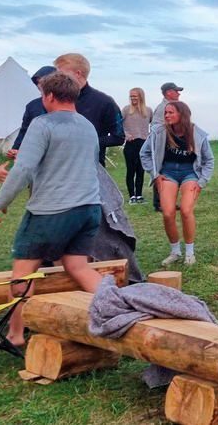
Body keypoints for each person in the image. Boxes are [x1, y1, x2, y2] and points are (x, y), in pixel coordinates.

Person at [0, 72, 106, 348]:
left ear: (50, 96)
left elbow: (23, 168)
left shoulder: (42, 123)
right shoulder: (88, 126)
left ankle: (15, 335)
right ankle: (116, 312)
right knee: (78, 266)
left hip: (51, 211)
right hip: (89, 207)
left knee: (23, 272)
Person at [54, 53, 143, 283]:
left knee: (93, 231)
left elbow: (118, 136)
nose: (56, 78)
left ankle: (97, 278)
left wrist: (88, 140)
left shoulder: (102, 101)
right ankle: (63, 279)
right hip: (56, 176)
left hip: (90, 174)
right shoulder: (53, 101)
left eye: (61, 73)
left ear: (78, 74)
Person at [140, 101, 215, 266]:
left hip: (190, 172)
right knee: (168, 213)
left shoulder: (197, 133)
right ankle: (175, 252)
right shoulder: (159, 132)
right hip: (168, 172)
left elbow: (209, 160)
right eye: (165, 113)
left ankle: (190, 253)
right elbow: (144, 153)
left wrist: (201, 182)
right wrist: (155, 175)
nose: (166, 116)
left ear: (182, 114)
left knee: (186, 210)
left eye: (170, 112)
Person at [6, 65, 56, 159]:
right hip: (35, 151)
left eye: (43, 81)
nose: (39, 84)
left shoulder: (66, 103)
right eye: (38, 82)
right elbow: (25, 130)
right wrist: (16, 148)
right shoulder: (32, 106)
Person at [150, 82, 182, 211]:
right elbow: (155, 127)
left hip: (172, 145)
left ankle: (169, 202)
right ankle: (159, 203)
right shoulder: (162, 108)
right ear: (168, 92)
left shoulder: (172, 106)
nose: (178, 94)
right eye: (176, 91)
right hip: (163, 146)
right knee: (162, 173)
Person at [122, 87, 152, 204]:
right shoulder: (126, 110)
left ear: (141, 96)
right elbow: (118, 124)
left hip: (143, 143)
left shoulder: (148, 111)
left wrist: (150, 135)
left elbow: (155, 124)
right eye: (131, 96)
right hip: (131, 143)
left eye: (135, 96)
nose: (132, 98)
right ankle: (132, 196)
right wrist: (126, 135)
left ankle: (139, 195)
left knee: (140, 171)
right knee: (131, 171)